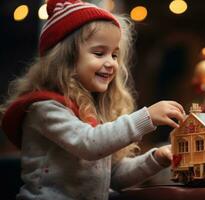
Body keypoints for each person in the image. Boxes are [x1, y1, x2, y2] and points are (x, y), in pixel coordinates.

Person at [0, 0, 185, 199]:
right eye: (99, 53)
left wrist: (156, 159)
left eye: (114, 55)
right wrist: (146, 117)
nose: (111, 63)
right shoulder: (45, 108)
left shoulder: (91, 111)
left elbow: (112, 178)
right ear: (65, 59)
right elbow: (89, 143)